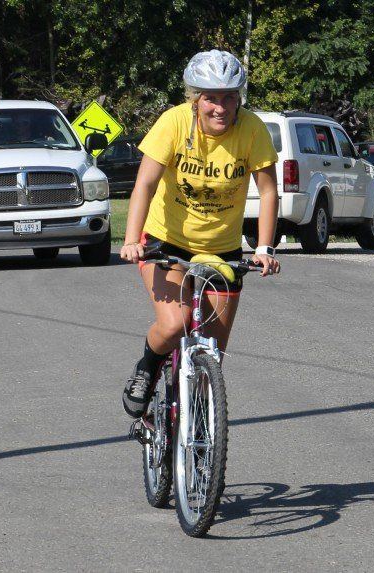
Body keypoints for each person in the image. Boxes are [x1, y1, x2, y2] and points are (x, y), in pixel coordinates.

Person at [120, 49, 281, 418]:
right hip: (165, 242)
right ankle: (147, 366)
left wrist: (265, 247)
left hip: (221, 250)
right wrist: (131, 241)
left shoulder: (252, 129)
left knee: (212, 356)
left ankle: (198, 441)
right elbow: (144, 183)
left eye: (229, 98)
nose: (220, 108)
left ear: (239, 98)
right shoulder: (174, 123)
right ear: (196, 99)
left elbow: (269, 190)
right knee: (175, 325)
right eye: (211, 98)